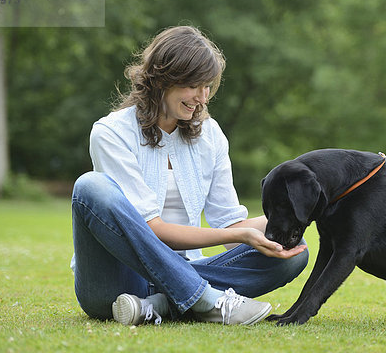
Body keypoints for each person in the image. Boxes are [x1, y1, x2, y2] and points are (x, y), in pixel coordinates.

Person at [71, 25, 308, 326]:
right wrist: (236, 233)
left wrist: (294, 218)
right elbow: (151, 229)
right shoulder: (111, 133)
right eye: (194, 86)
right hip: (116, 283)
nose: (203, 97)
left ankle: (158, 304)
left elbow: (230, 223)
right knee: (90, 186)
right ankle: (206, 300)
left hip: (182, 273)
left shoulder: (210, 135)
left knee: (294, 253)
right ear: (162, 79)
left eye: (208, 86)